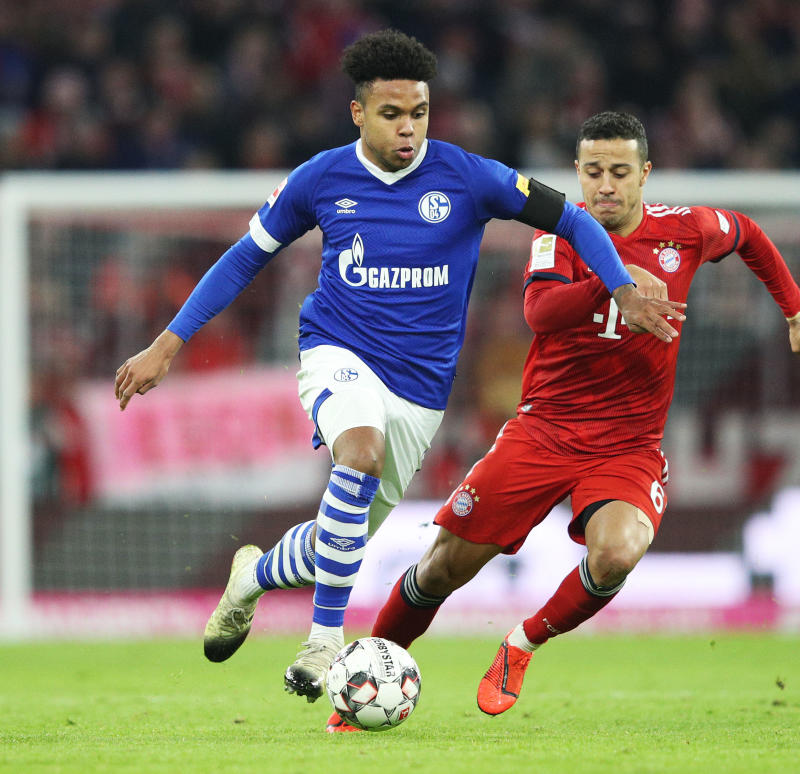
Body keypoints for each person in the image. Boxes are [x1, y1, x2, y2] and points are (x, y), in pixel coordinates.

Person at [113, 33, 683, 705]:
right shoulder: (321, 179)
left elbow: (574, 220)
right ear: (358, 114)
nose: (408, 127)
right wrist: (168, 343)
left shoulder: (468, 176)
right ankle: (325, 641)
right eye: (391, 114)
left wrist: (619, 286)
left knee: (339, 539)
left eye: (418, 112)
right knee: (358, 454)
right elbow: (244, 256)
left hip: (419, 392)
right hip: (337, 351)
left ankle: (254, 577)